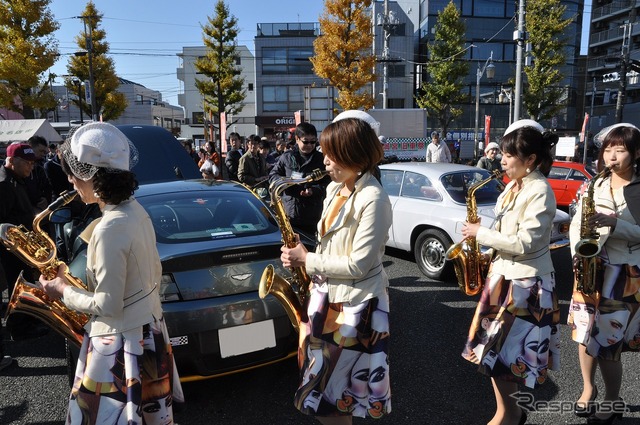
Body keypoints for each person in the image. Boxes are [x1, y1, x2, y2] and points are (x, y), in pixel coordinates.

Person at [37, 122, 184, 424]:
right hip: (147, 331)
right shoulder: (134, 210)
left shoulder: (109, 228)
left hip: (119, 345)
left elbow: (107, 304)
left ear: (94, 176)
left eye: (74, 173)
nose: (70, 180)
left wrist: (62, 290)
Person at [280, 115, 392, 424]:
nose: (325, 160)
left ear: (353, 154)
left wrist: (308, 259)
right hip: (329, 297)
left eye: (332, 154)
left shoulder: (374, 198)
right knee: (325, 398)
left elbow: (359, 263)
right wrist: (301, 258)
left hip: (355, 306)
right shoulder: (335, 189)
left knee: (334, 398)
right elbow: (333, 246)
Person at [461, 119, 560, 425]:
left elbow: (527, 242)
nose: (501, 160)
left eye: (509, 155)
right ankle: (510, 413)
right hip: (504, 276)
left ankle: (507, 415)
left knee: (504, 355)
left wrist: (481, 235)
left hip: (527, 283)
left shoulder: (540, 191)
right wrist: (482, 253)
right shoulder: (510, 188)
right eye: (502, 153)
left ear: (531, 159)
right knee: (491, 354)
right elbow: (504, 231)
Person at [567, 123, 640, 424]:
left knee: (609, 344)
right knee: (584, 336)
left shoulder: (638, 189)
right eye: (608, 149)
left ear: (636, 154)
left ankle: (613, 398)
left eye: (619, 150)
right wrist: (576, 252)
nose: (611, 156)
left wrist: (614, 224)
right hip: (590, 268)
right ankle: (588, 388)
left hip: (624, 273)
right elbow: (577, 222)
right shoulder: (595, 183)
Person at [0, 143, 49, 342]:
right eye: (27, 163)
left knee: (26, 282)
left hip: (21, 246)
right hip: (11, 249)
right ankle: (19, 328)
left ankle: (28, 320)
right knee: (16, 285)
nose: (31, 167)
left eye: (32, 163)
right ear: (11, 161)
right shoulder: (4, 184)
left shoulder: (16, 179)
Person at [268, 122, 329, 237]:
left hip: (313, 215)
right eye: (306, 142)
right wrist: (288, 184)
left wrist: (313, 191)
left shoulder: (322, 159)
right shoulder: (286, 157)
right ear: (297, 139)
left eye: (313, 142)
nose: (310, 145)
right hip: (290, 214)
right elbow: (273, 176)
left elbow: (329, 183)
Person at [26, 135, 53, 213]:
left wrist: (46, 199)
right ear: (30, 148)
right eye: (41, 151)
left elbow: (47, 186)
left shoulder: (39, 167)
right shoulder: (18, 170)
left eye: (44, 152)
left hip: (40, 209)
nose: (43, 154)